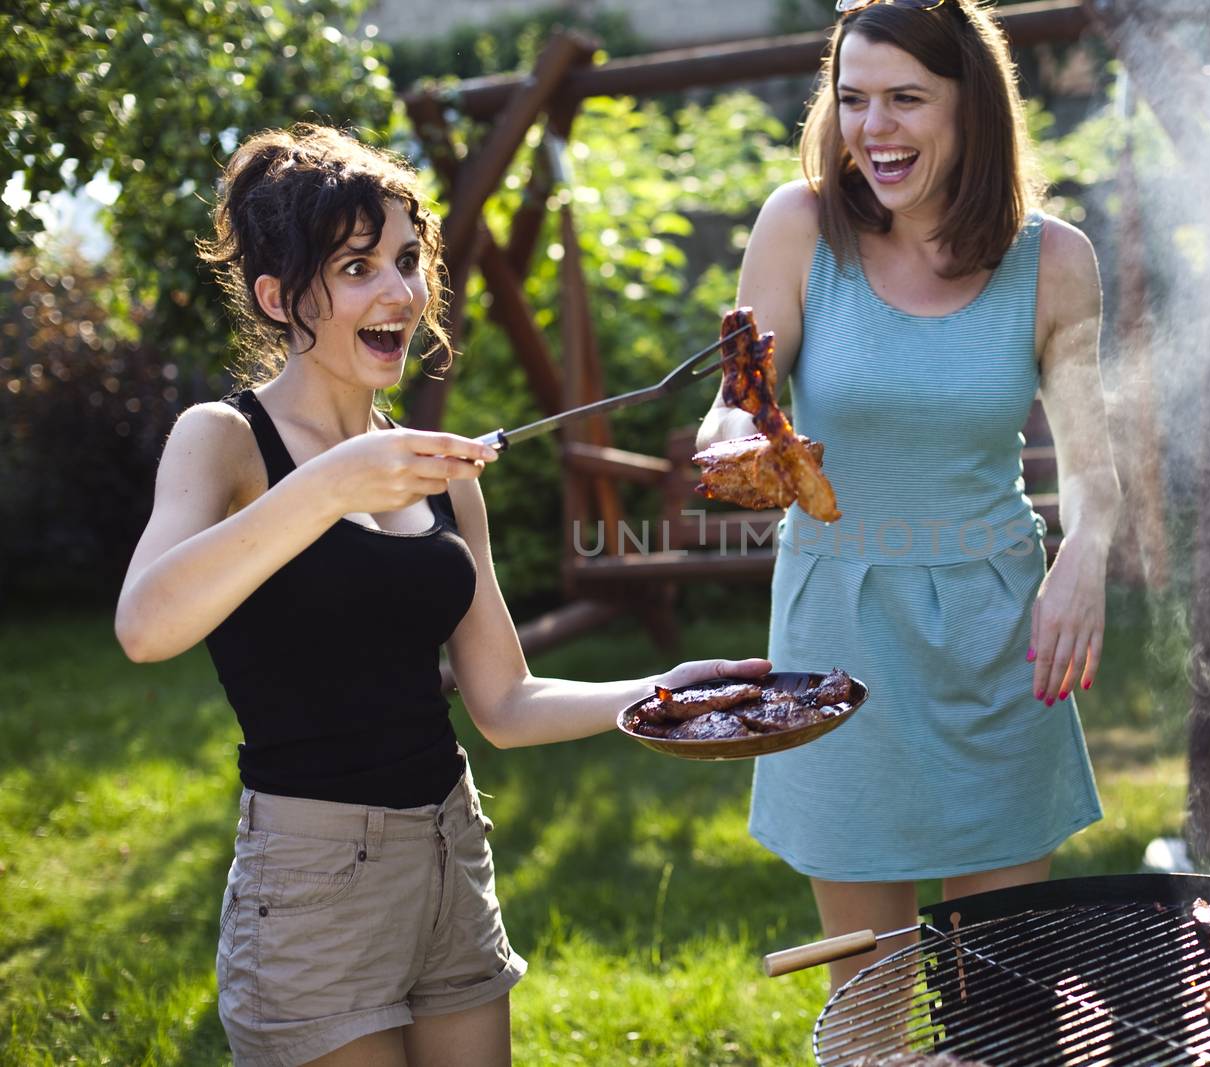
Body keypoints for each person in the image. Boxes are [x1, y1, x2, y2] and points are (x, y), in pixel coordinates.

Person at [115, 124, 767, 1067]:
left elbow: (503, 701)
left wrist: (663, 689)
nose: (398, 292)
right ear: (277, 296)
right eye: (355, 267)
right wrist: (333, 483)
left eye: (406, 260)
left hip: (451, 852)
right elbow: (145, 626)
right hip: (311, 885)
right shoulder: (224, 441)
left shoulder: (441, 474)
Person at [697, 0, 1121, 992]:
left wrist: (1082, 565)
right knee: (869, 996)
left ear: (971, 109)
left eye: (904, 99)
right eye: (851, 100)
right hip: (837, 639)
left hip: (997, 630)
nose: (872, 128)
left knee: (1001, 994)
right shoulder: (796, 226)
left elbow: (1097, 470)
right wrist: (733, 441)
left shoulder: (1054, 260)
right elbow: (742, 395)